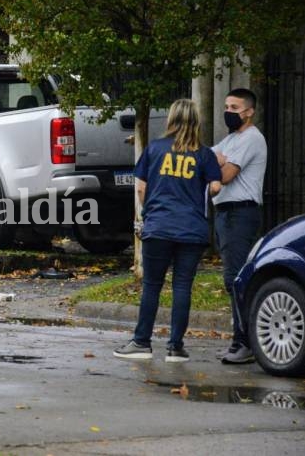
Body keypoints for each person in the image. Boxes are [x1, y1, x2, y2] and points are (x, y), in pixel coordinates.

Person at [114, 99, 221, 362]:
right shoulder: (204, 154)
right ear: (196, 121)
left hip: (159, 226)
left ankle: (141, 342)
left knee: (152, 285)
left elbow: (140, 186)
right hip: (192, 229)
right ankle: (176, 347)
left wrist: (149, 208)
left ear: (171, 119)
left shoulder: (155, 149)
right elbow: (216, 187)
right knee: (183, 286)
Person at [213, 88, 267, 365]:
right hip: (226, 214)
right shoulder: (232, 139)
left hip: (240, 214)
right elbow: (206, 162)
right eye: (227, 107)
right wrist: (215, 162)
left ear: (249, 111)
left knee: (235, 279)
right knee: (232, 279)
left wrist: (218, 164)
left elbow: (224, 175)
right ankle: (243, 339)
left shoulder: (250, 139)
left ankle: (243, 342)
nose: (229, 112)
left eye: (234, 108)